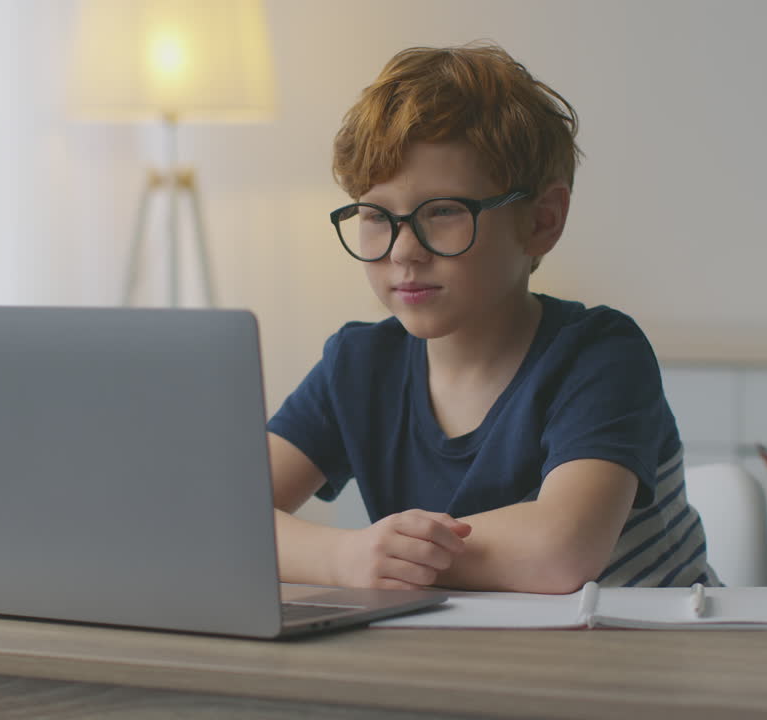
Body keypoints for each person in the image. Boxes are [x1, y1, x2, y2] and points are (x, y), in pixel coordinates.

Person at [266, 42, 717, 593]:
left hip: (638, 663)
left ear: (543, 221)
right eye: (375, 216)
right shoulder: (359, 365)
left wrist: (382, 557)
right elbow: (223, 519)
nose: (405, 249)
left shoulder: (601, 354)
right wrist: (344, 557)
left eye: (443, 212)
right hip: (467, 664)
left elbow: (561, 548)